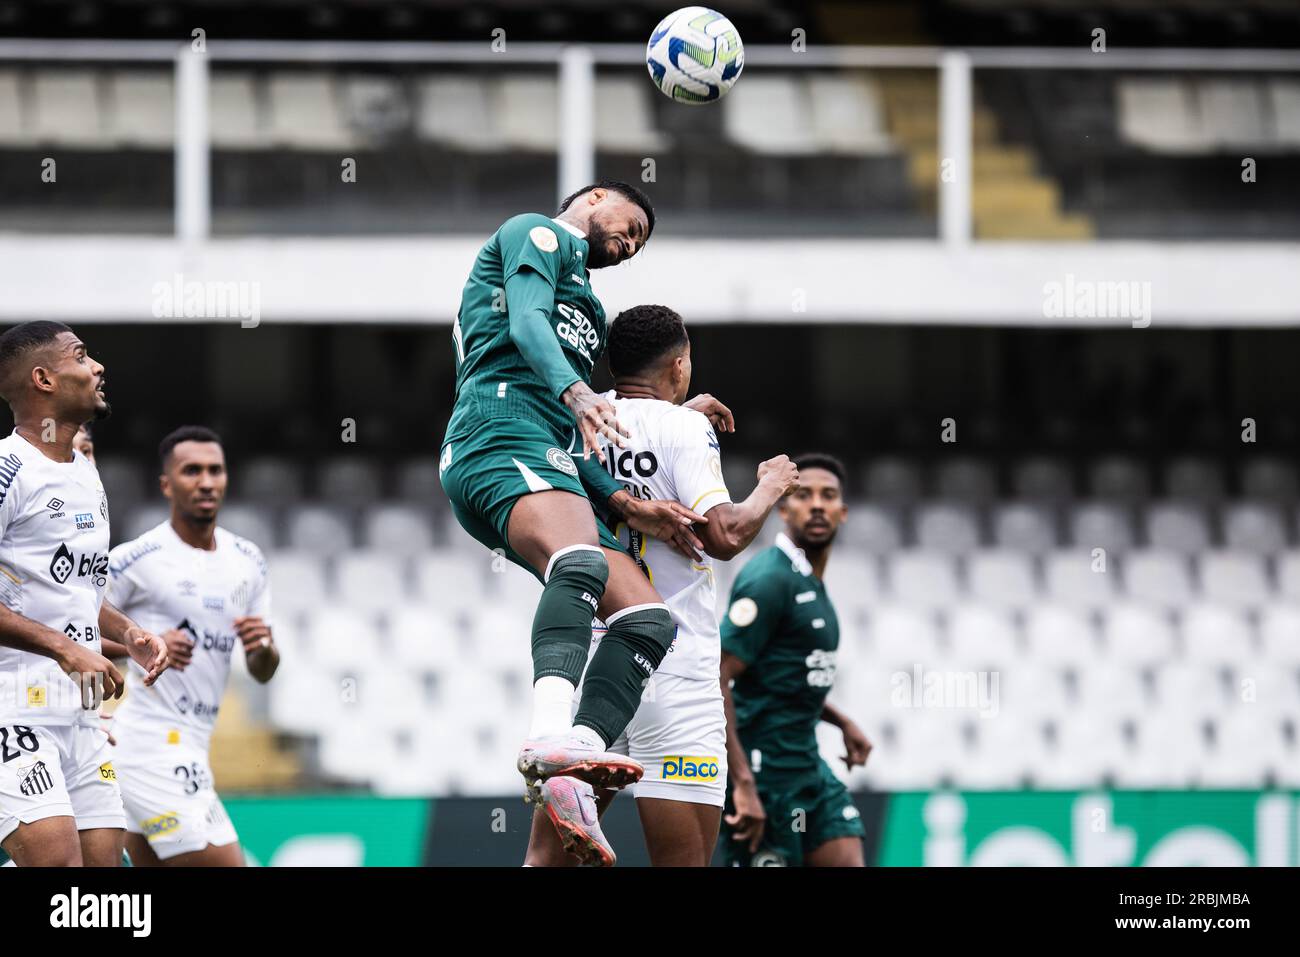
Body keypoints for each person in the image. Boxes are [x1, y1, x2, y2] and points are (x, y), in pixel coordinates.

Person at [438, 182, 731, 863]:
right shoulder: (535, 233)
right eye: (630, 227)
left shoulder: (591, 309)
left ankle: (580, 758)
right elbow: (525, 325)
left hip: (546, 452)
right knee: (581, 562)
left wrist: (624, 501)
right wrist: (574, 392)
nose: (627, 246)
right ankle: (549, 740)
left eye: (636, 247)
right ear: (596, 196)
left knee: (647, 618)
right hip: (497, 432)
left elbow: (583, 429)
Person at [523, 304, 798, 866]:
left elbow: (625, 457)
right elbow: (721, 534)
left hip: (597, 668)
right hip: (675, 670)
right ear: (679, 365)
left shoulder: (581, 423)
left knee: (545, 861)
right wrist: (771, 486)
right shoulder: (685, 428)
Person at [0, 321, 167, 867]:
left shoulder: (82, 471)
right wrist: (64, 647)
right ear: (44, 378)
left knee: (99, 887)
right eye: (82, 356)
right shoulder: (9, 469)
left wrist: (129, 633)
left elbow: (75, 588)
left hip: (81, 713)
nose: (97, 367)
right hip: (13, 707)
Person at [106, 426, 277, 866]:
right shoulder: (137, 559)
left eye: (215, 470)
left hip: (193, 741)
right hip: (151, 742)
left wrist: (262, 649)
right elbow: (71, 630)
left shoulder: (248, 562)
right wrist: (140, 645)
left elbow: (262, 669)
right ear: (166, 484)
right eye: (191, 471)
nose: (205, 481)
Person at [719, 453, 873, 867]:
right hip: (765, 775)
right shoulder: (770, 578)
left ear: (843, 512)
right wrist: (743, 784)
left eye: (829, 496)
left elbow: (781, 679)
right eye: (805, 495)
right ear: (784, 507)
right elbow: (716, 675)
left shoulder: (807, 580)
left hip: (807, 767)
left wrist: (841, 721)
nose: (818, 505)